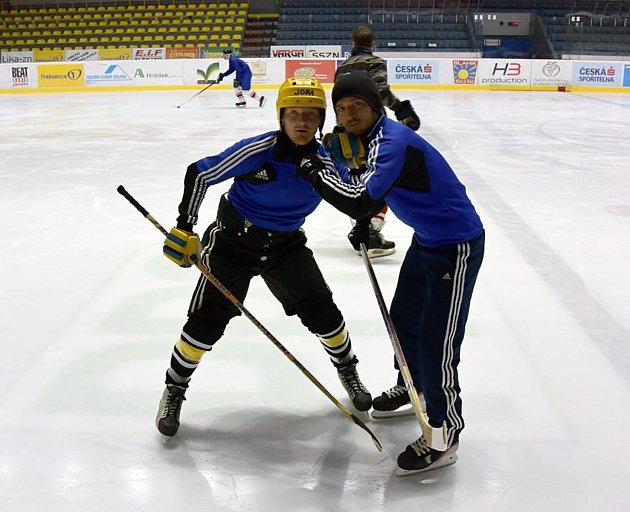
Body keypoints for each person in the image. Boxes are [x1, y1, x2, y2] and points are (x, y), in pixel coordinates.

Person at [156, 77, 372, 439]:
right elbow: (201, 173)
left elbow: (356, 193)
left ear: (320, 121)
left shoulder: (329, 159)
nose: (301, 122)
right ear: (281, 118)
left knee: (325, 314)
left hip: (286, 246)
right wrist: (185, 226)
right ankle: (174, 388)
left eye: (309, 115)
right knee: (205, 323)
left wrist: (363, 222)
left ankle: (347, 369)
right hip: (232, 243)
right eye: (293, 115)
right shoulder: (259, 150)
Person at [296, 70, 485, 474]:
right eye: (341, 109)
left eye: (357, 106)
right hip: (428, 240)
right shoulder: (369, 141)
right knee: (403, 320)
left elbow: (360, 200)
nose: (349, 115)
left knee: (438, 343)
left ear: (375, 106)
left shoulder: (392, 140)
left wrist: (316, 174)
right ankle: (413, 386)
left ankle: (444, 435)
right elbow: (368, 185)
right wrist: (363, 218)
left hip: (456, 246)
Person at [325, 25, 420, 258]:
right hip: (371, 127)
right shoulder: (375, 62)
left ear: (352, 41)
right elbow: (379, 90)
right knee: (383, 177)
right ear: (372, 43)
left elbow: (340, 97)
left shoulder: (343, 66)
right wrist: (401, 109)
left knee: (359, 176)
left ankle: (364, 227)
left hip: (346, 128)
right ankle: (371, 231)